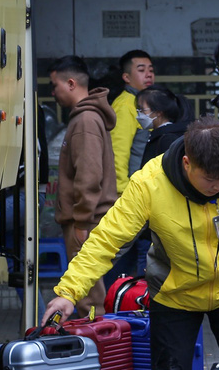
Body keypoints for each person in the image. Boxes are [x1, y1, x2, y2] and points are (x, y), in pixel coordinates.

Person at [42, 117, 219, 370]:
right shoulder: (149, 183)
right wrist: (68, 291)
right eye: (210, 179)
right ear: (187, 163)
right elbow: (107, 239)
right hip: (175, 296)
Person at [48, 55, 118, 316]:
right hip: (89, 219)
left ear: (70, 83)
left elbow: (88, 176)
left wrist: (80, 223)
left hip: (87, 222)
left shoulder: (85, 121)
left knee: (89, 299)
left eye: (54, 86)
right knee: (91, 294)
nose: (52, 93)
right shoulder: (86, 117)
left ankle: (98, 351)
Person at [110, 50, 155, 194]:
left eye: (151, 70)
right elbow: (118, 153)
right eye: (141, 70)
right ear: (126, 77)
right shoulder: (125, 105)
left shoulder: (143, 102)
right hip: (130, 192)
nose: (148, 74)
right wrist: (122, 192)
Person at [138, 85, 191, 165]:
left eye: (142, 110)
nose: (139, 114)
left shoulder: (167, 139)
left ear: (158, 112)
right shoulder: (161, 135)